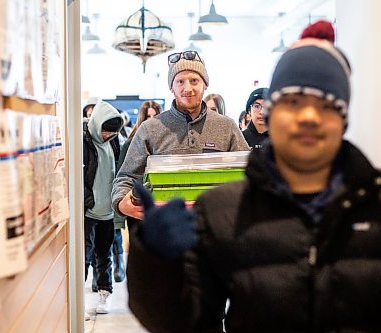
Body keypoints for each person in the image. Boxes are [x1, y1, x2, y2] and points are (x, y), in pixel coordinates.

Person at [127, 20, 381, 332]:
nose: (309, 116)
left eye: (326, 105)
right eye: (293, 101)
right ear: (272, 112)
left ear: (343, 118)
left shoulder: (374, 203)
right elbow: (185, 322)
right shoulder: (223, 212)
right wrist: (155, 262)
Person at [112, 50, 249, 221]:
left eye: (194, 81)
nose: (188, 88)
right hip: (166, 231)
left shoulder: (227, 127)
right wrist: (120, 202)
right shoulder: (149, 129)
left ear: (205, 85)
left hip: (216, 229)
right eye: (180, 81)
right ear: (171, 87)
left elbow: (248, 173)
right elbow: (126, 177)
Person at [112, 100, 163, 283]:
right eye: (148, 116)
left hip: (160, 207)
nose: (152, 119)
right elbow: (122, 177)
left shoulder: (166, 138)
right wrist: (119, 216)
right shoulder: (132, 143)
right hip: (137, 208)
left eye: (155, 115)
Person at [83, 101, 123, 315]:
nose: (108, 135)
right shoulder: (83, 140)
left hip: (108, 211)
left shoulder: (114, 142)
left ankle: (104, 294)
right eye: (105, 131)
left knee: (104, 254)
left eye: (112, 132)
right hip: (88, 211)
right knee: (84, 256)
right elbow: (77, 175)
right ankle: (76, 300)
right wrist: (87, 199)